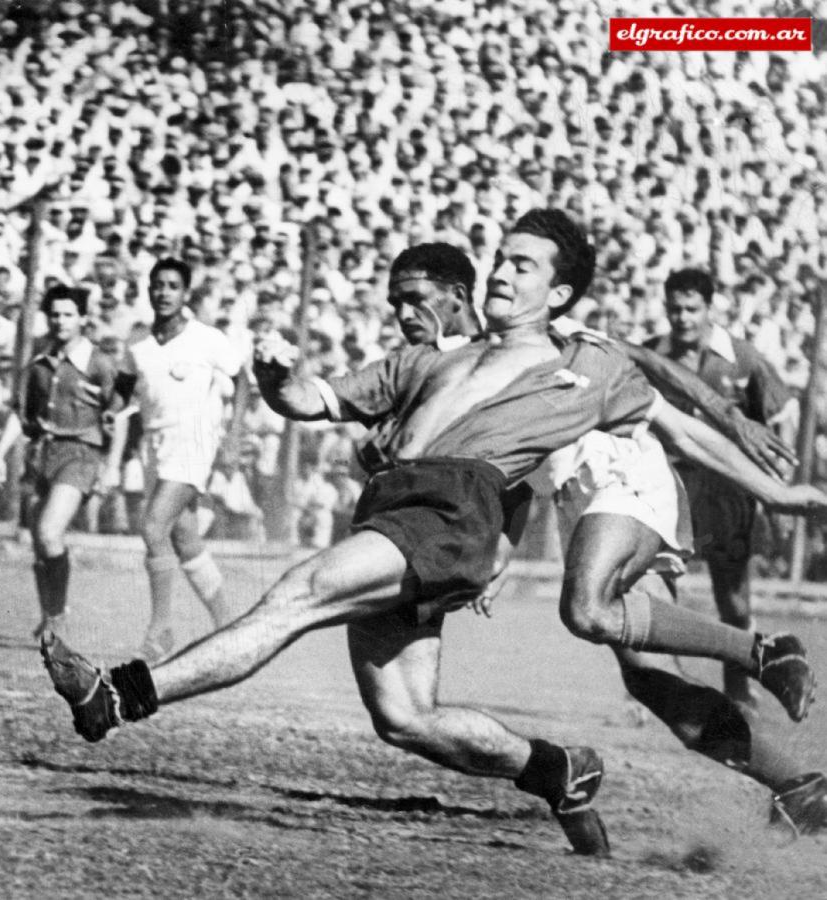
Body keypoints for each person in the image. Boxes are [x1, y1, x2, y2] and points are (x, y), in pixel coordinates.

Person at [41, 211, 824, 857]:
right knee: (407, 717)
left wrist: (763, 471)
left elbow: (666, 400)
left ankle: (121, 694)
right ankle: (559, 770)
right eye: (500, 260)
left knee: (302, 593)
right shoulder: (428, 363)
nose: (501, 273)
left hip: (514, 505)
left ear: (554, 292)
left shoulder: (581, 355)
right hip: (416, 512)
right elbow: (316, 399)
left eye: (520, 264)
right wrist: (280, 381)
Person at [370, 241, 827, 836]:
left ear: (457, 298)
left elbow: (655, 374)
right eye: (395, 305)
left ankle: (764, 651)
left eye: (414, 301)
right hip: (579, 505)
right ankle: (797, 783)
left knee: (586, 608)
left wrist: (730, 417)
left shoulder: (555, 336)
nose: (404, 317)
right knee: (650, 681)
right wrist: (498, 555)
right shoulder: (455, 374)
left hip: (623, 478)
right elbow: (510, 481)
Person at [645, 268, 798, 704]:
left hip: (728, 486)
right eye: (674, 308)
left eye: (692, 308)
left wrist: (776, 485)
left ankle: (738, 686)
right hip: (672, 484)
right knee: (659, 586)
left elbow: (782, 416)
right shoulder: (655, 355)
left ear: (709, 308)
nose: (682, 318)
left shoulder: (742, 358)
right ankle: (661, 686)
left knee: (733, 598)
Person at [102, 258, 243, 662]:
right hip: (155, 446)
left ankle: (160, 629)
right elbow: (124, 388)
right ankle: (229, 625)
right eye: (157, 285)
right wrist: (113, 410)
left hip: (195, 443)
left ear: (184, 294)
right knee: (184, 539)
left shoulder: (206, 338)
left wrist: (233, 436)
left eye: (172, 286)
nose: (163, 292)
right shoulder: (140, 346)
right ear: (149, 291)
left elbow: (241, 377)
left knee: (152, 526)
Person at [0, 284, 116, 636]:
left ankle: (58, 617)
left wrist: (113, 463)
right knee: (38, 542)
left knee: (49, 532)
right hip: (42, 455)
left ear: (83, 319)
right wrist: (0, 453)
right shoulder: (39, 364)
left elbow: (121, 414)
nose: (61, 321)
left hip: (80, 455)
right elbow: (21, 413)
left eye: (68, 314)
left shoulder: (101, 363)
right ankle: (49, 613)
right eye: (55, 314)